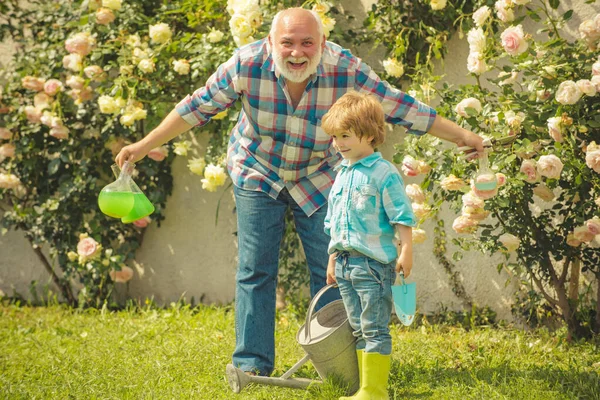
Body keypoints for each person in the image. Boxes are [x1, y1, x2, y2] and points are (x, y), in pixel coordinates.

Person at [114, 8, 484, 377]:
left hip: (320, 177)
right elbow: (196, 107)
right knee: (255, 268)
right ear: (270, 43)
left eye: (308, 42)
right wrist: (144, 145)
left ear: (322, 43)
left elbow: (401, 107)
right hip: (257, 170)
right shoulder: (246, 64)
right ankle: (252, 366)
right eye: (287, 43)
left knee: (338, 268)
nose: (297, 52)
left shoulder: (345, 69)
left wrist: (463, 136)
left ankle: (341, 366)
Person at [322, 91, 414, 400]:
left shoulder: (382, 173)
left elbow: (401, 214)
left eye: (345, 135)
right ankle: (365, 388)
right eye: (335, 137)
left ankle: (375, 391)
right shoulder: (342, 174)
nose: (338, 143)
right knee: (358, 328)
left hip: (373, 265)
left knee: (374, 328)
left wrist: (406, 249)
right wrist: (333, 260)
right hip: (346, 264)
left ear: (369, 134)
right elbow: (335, 222)